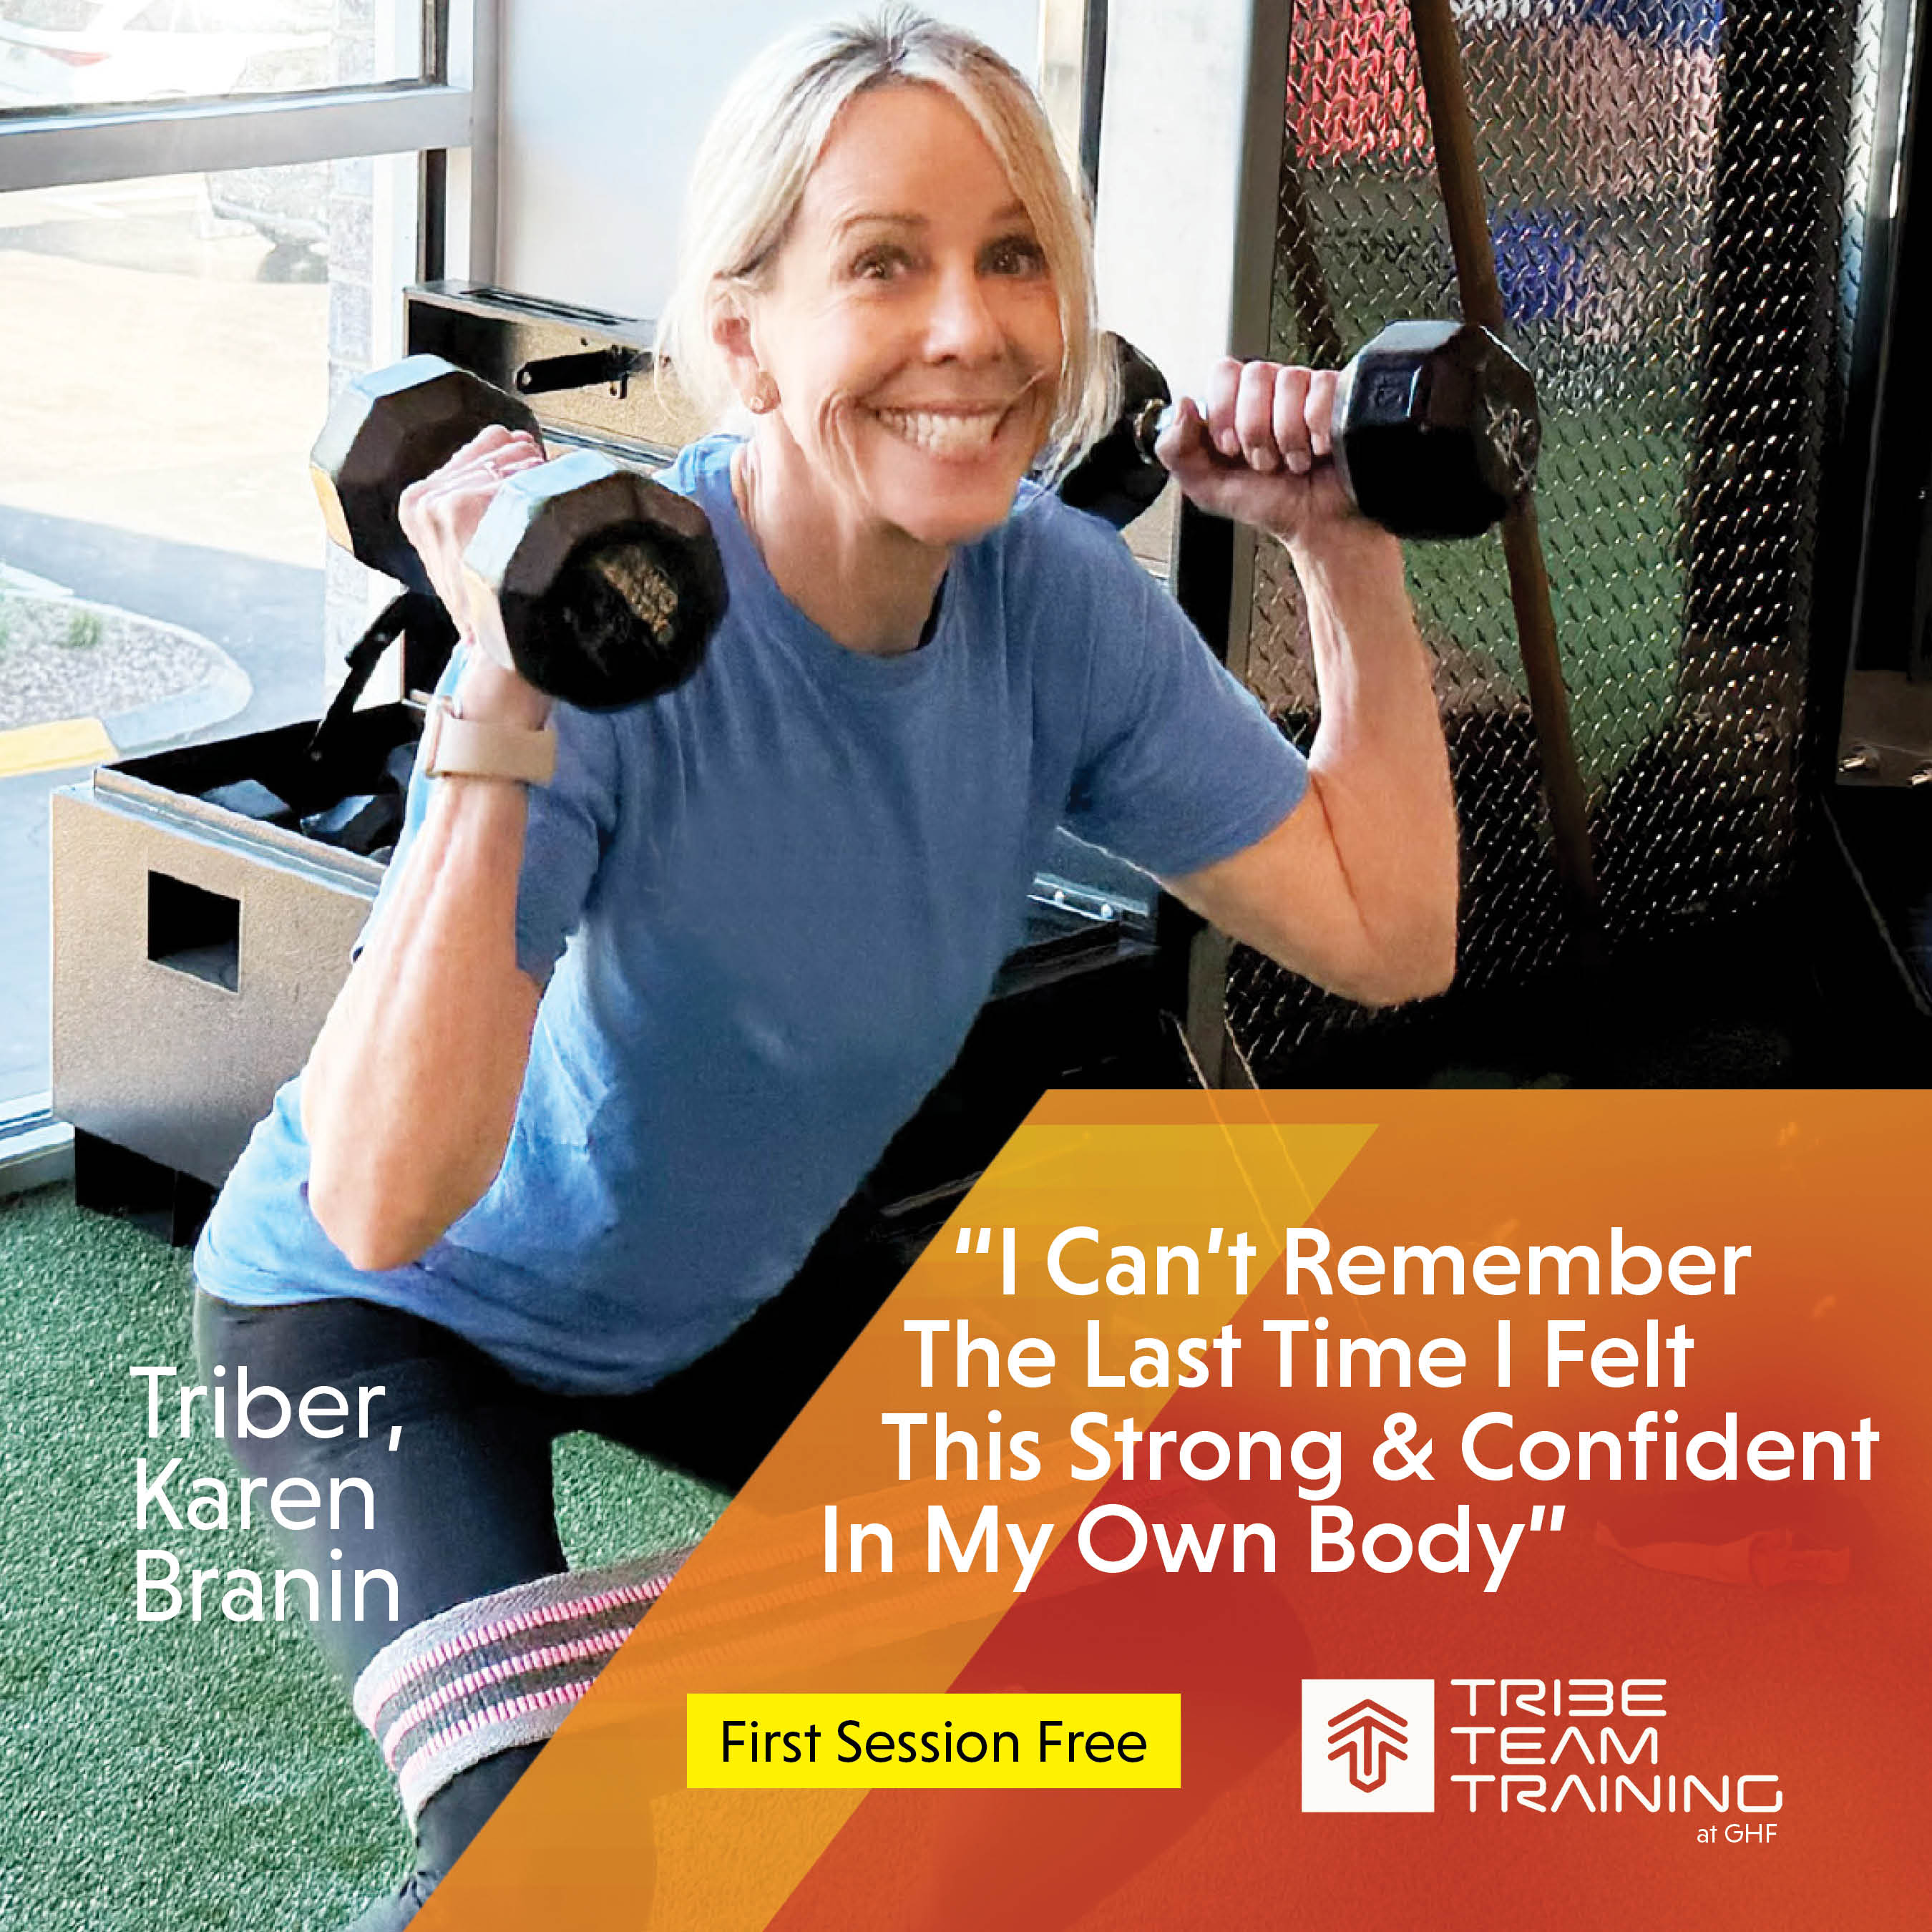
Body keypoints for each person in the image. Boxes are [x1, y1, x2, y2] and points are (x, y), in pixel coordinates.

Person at [190, 8, 1458, 1925]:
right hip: (384, 1323)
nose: (968, 326)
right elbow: (379, 1203)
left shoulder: (1052, 605)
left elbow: (1388, 936)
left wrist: (1341, 554)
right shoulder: (617, 637)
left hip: (735, 1268)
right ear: (738, 332)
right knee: (558, 1863)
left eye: (1012, 255)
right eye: (883, 261)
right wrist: (501, 685)